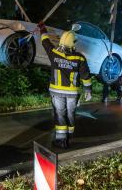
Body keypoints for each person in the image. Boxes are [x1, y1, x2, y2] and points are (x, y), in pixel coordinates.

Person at [38, 21, 92, 149]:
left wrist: (42, 29)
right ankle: (69, 134)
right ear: (73, 43)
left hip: (56, 93)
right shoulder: (79, 58)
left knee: (60, 114)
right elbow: (86, 76)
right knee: (70, 113)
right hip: (72, 93)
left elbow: (45, 42)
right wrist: (88, 91)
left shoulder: (54, 53)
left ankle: (61, 140)